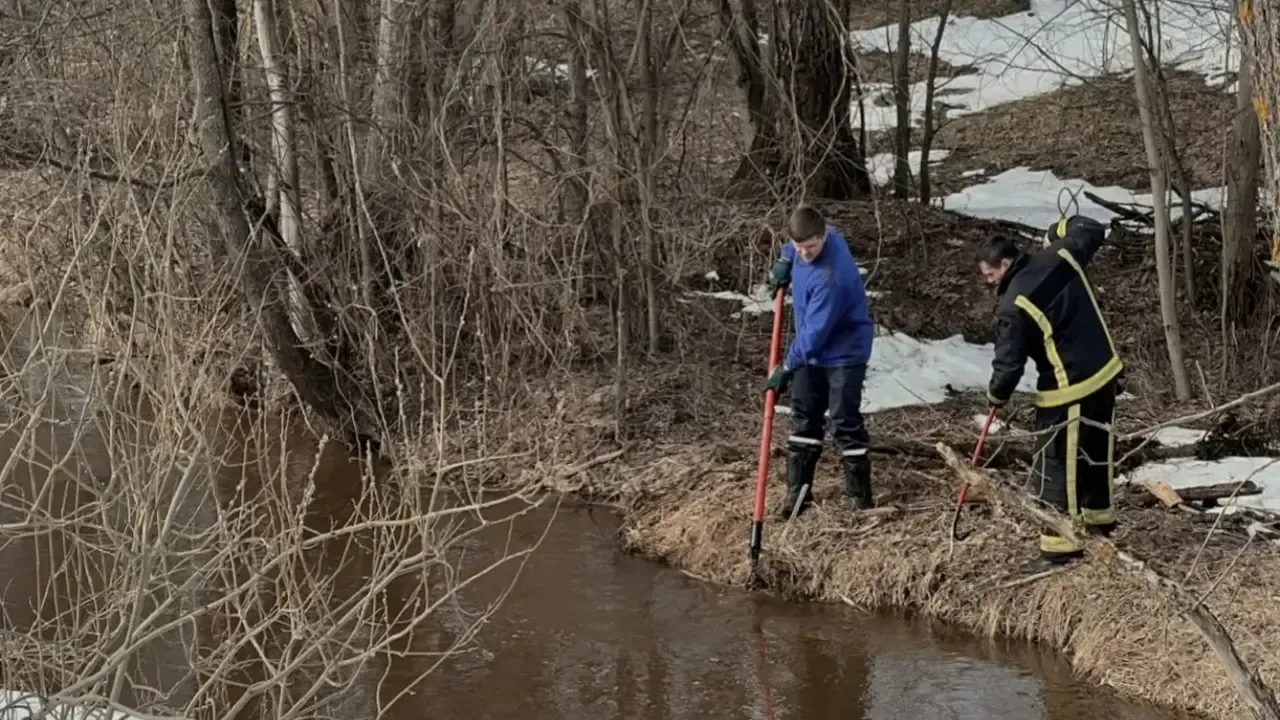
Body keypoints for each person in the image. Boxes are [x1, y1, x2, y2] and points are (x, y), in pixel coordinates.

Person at [977, 214, 1124, 571]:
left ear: (1006, 264)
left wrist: (995, 396)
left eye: (990, 274)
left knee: (1057, 461)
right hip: (1105, 371)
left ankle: (1061, 546)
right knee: (1095, 451)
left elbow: (1008, 364)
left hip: (1068, 386)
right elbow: (1090, 226)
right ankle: (1098, 524)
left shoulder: (1013, 304)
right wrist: (1055, 231)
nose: (989, 282)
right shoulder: (1062, 254)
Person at [764, 205, 876, 519]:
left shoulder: (832, 276)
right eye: (800, 247)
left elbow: (814, 333)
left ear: (824, 238)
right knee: (804, 418)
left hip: (844, 352)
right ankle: (798, 498)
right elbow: (795, 243)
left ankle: (859, 498)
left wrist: (786, 368)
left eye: (810, 247)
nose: (806, 253)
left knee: (843, 420)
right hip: (812, 352)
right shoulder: (811, 242)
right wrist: (786, 258)